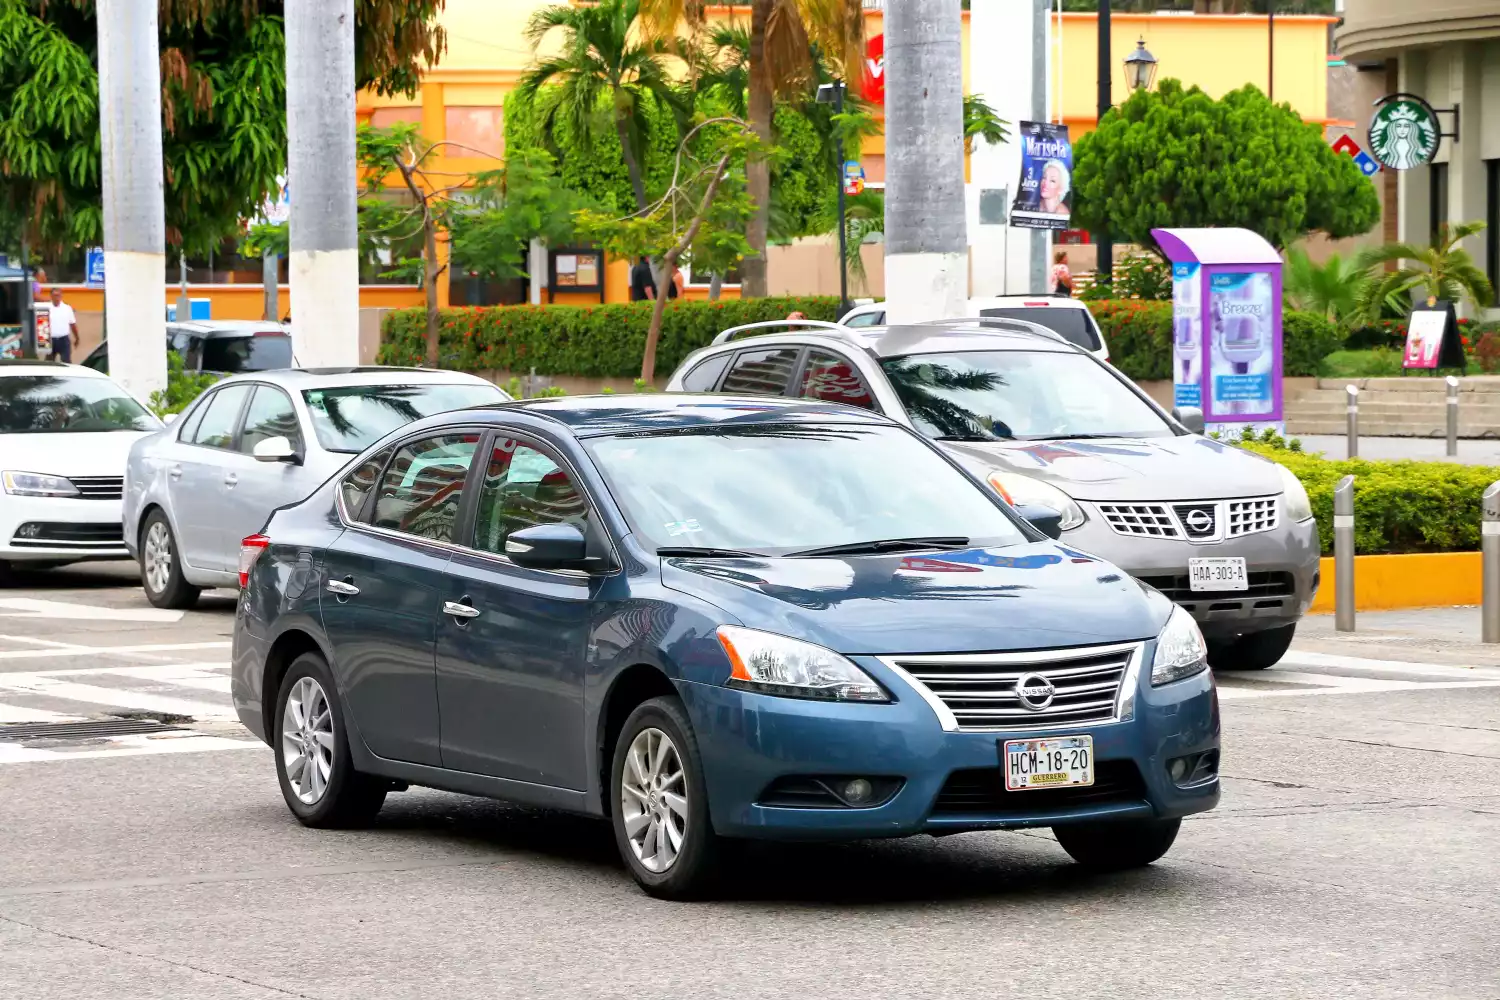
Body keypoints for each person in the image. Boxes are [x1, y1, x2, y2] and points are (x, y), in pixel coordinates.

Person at [45, 287, 79, 363]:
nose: (57, 298)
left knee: (66, 362)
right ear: (51, 296)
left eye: (58, 295)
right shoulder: (46, 308)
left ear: (61, 296)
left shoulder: (67, 308)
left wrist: (77, 338)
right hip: (50, 340)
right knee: (48, 364)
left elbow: (72, 324)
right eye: (55, 295)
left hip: (64, 340)